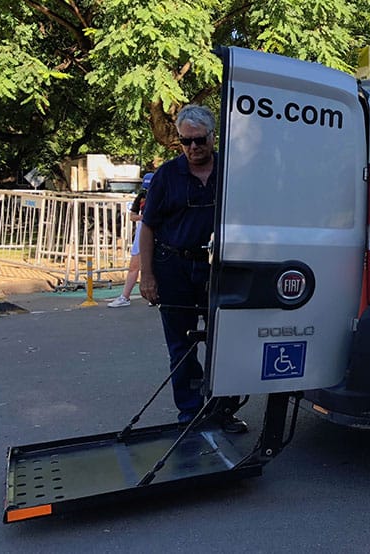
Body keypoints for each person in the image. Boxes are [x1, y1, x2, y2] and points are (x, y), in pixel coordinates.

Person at [138, 104, 247, 433]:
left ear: (213, 136)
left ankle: (222, 411)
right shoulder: (166, 175)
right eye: (186, 141)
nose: (193, 147)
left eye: (199, 140)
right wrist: (147, 276)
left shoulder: (231, 171)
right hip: (174, 267)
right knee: (181, 347)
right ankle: (190, 413)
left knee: (224, 343)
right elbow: (147, 226)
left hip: (219, 269)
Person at [107, 172, 153, 308]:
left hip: (157, 230)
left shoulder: (162, 195)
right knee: (135, 264)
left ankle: (156, 296)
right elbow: (132, 215)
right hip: (143, 229)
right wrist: (142, 217)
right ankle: (125, 296)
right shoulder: (141, 196)